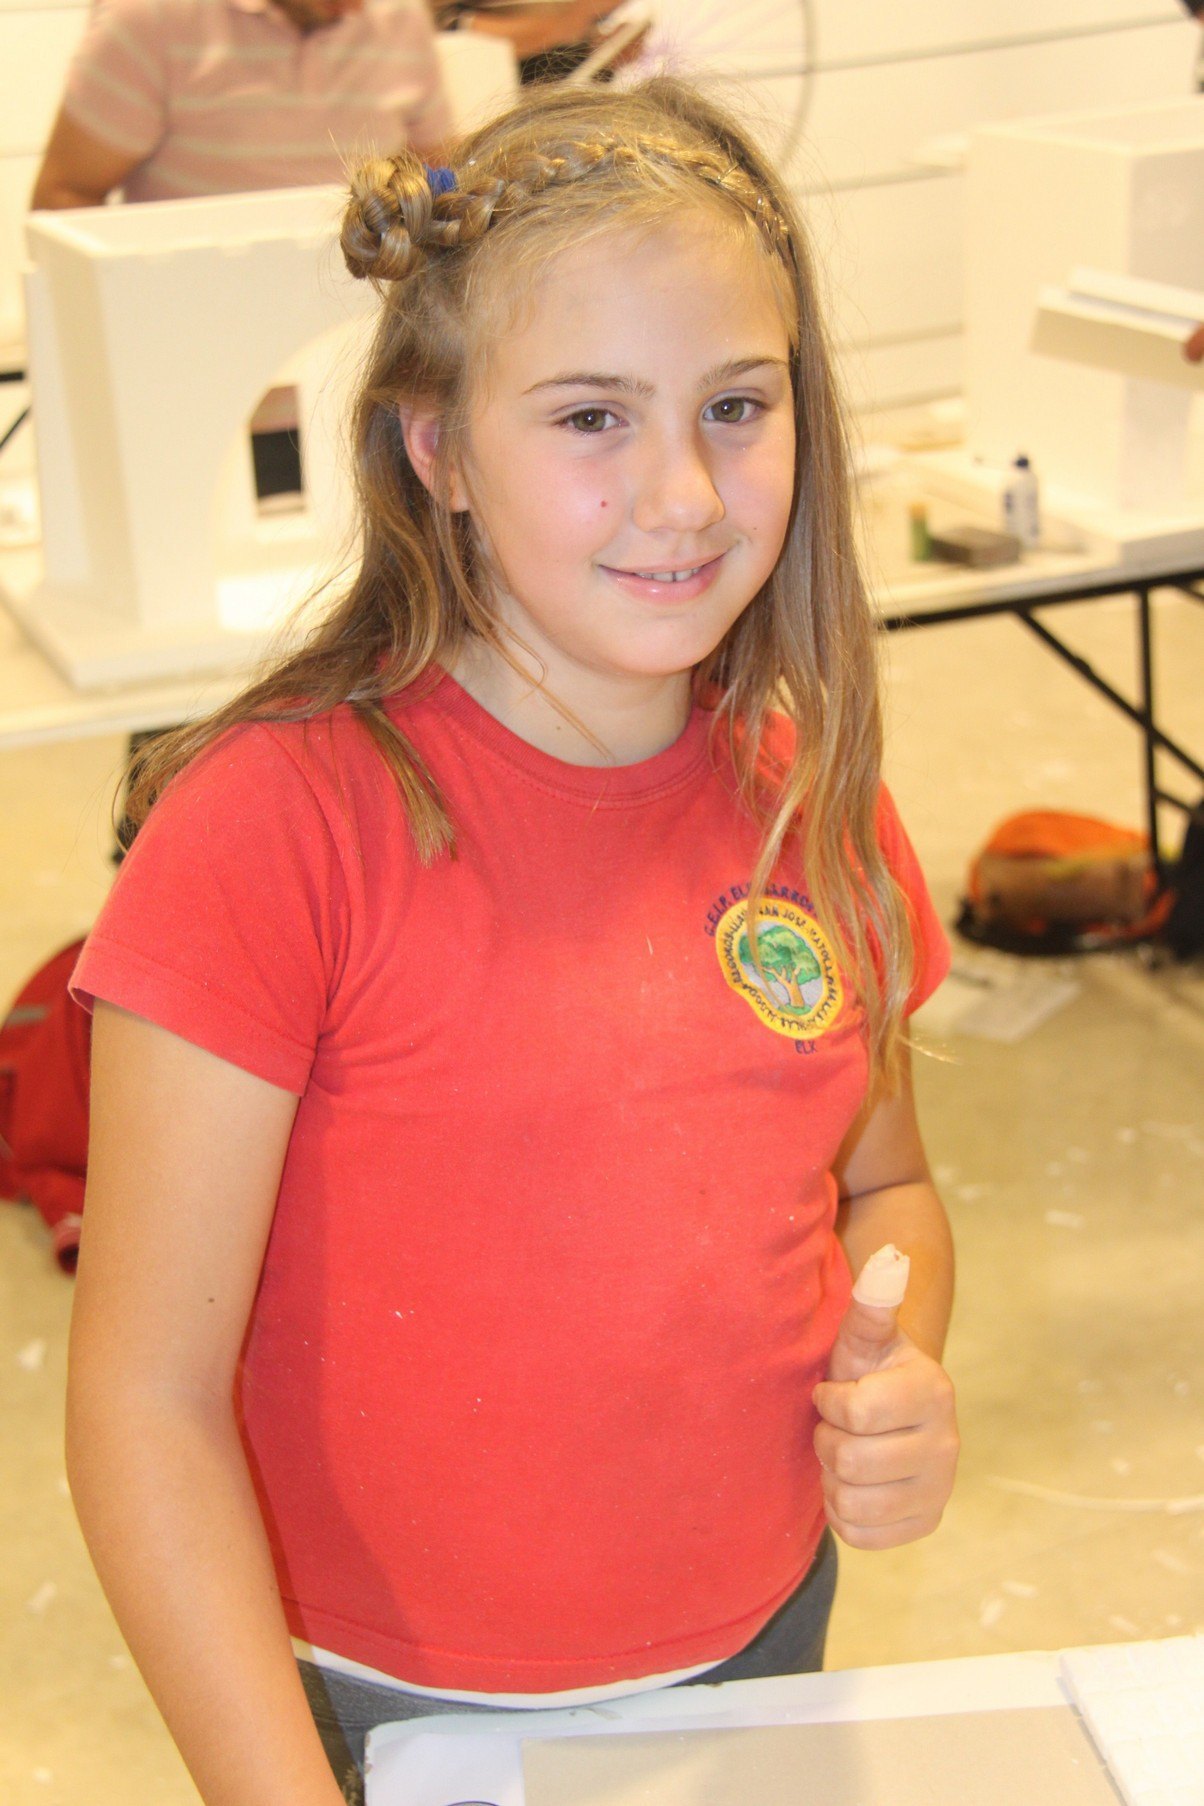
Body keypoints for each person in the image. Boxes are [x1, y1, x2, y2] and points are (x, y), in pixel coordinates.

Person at [65, 77, 959, 1806]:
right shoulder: (273, 833)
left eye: (734, 405)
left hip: (759, 1644)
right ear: (436, 450)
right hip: (371, 1710)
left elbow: (885, 1189)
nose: (683, 492)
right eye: (589, 418)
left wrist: (901, 1362)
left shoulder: (816, 799)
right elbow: (142, 1406)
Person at [30, 0, 451, 210]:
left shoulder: (402, 18)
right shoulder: (149, 18)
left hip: (355, 323)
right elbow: (64, 196)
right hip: (191, 319)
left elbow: (441, 182)